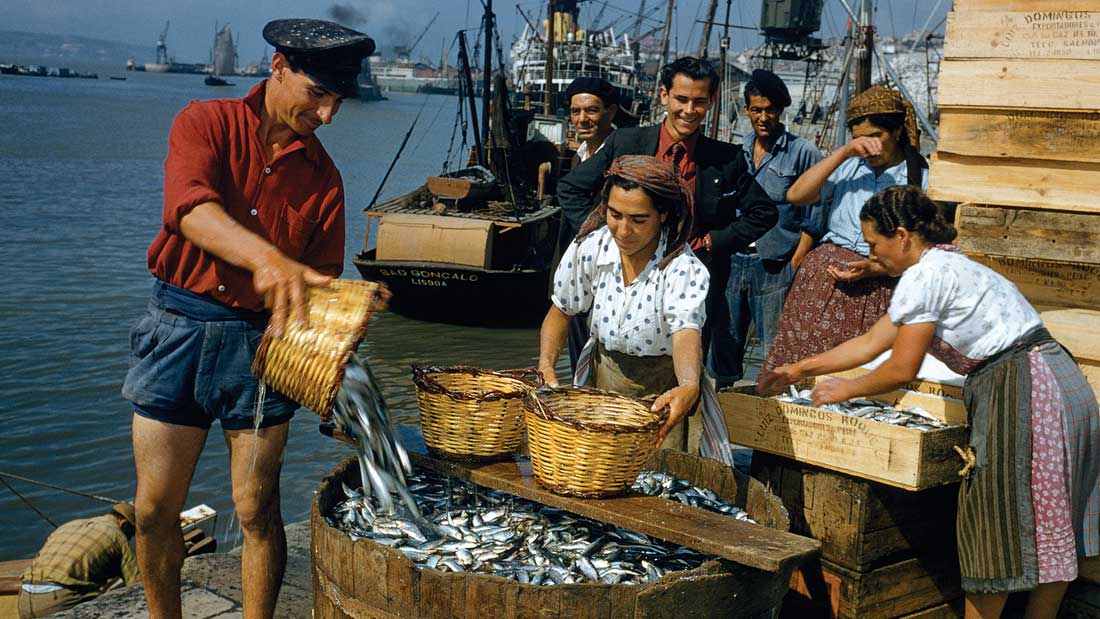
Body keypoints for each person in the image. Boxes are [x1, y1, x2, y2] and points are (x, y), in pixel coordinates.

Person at [120, 19, 375, 619]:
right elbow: (188, 209)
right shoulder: (203, 122)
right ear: (278, 67)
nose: (329, 114)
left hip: (261, 346)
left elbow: (316, 283)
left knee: (257, 508)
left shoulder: (326, 180)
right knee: (155, 510)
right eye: (318, 93)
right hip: (176, 327)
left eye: (338, 101)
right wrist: (268, 259)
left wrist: (337, 340)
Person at [757, 186, 1099, 619]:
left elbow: (901, 367)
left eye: (874, 244)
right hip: (1057, 381)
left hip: (1026, 389)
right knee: (1051, 516)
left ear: (901, 235)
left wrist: (843, 389)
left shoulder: (926, 274)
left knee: (993, 520)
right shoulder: (943, 265)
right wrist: (800, 369)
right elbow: (871, 342)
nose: (871, 254)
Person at [557, 56, 777, 376]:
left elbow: (763, 212)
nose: (689, 111)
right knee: (606, 365)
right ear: (664, 95)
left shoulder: (725, 159)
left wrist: (713, 242)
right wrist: (607, 235)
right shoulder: (626, 142)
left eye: (699, 102)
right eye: (681, 99)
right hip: (622, 278)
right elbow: (570, 189)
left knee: (682, 374)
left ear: (711, 102)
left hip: (687, 284)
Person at [539, 155, 711, 451]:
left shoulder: (682, 268)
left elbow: (686, 333)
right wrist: (546, 364)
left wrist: (688, 386)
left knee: (656, 478)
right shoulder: (592, 246)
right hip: (603, 379)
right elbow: (561, 309)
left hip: (661, 393)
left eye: (638, 219)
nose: (623, 230)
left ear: (663, 215)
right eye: (615, 214)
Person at [762, 85, 928, 373]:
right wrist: (845, 152)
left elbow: (926, 251)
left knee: (857, 374)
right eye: (859, 139)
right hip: (823, 283)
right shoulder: (848, 169)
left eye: (876, 136)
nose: (869, 147)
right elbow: (796, 195)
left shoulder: (919, 178)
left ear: (897, 131)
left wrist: (879, 268)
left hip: (881, 286)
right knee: (798, 366)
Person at [707, 69, 822, 389]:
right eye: (756, 109)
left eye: (770, 110)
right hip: (733, 262)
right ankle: (723, 420)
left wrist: (796, 261)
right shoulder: (736, 152)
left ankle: (769, 427)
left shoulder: (804, 154)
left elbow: (815, 214)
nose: (763, 117)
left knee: (775, 349)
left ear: (781, 111)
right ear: (746, 110)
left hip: (775, 265)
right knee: (724, 343)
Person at [18, 503, 140, 618]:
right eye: (131, 534)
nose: (130, 538)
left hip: (24, 600)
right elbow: (136, 584)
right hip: (59, 601)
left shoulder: (70, 524)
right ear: (123, 524)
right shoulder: (118, 535)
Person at [564, 77, 618, 163]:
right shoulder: (578, 158)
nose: (582, 119)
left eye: (592, 110)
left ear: (611, 112)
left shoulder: (623, 159)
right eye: (575, 111)